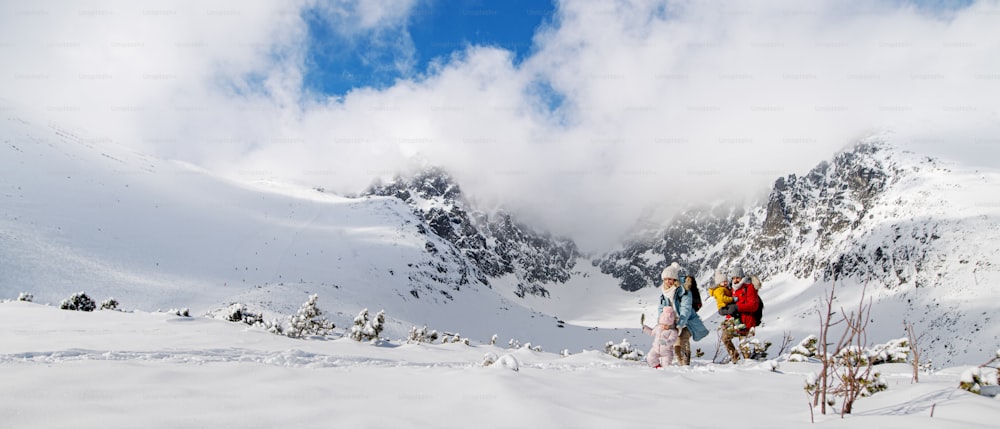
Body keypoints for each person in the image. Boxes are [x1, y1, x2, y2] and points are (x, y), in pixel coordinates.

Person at [657, 262, 709, 365]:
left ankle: (686, 364)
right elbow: (661, 309)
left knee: (683, 340)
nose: (668, 281)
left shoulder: (684, 291)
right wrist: (661, 322)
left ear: (675, 279)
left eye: (670, 279)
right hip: (673, 323)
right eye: (666, 279)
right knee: (676, 345)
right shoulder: (664, 293)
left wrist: (680, 324)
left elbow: (686, 309)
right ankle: (681, 364)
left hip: (687, 322)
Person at [726, 265, 763, 362]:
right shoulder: (732, 289)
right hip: (734, 321)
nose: (735, 280)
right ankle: (735, 359)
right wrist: (728, 316)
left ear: (742, 277)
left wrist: (738, 307)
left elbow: (753, 306)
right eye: (733, 278)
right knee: (725, 338)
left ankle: (748, 365)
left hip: (746, 322)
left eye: (737, 277)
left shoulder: (749, 288)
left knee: (744, 348)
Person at [709, 269, 741, 363]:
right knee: (726, 338)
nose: (726, 283)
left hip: (736, 317)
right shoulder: (721, 290)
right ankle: (735, 357)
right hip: (728, 313)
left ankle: (740, 358)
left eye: (726, 281)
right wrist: (732, 299)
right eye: (724, 282)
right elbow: (722, 298)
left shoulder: (728, 288)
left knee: (740, 336)